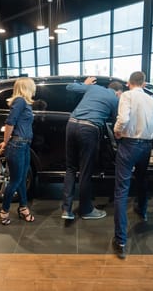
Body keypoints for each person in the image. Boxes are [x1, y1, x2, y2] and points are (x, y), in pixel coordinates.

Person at [61, 76, 124, 220]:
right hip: (88, 128)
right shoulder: (115, 99)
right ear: (118, 92)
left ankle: (66, 210)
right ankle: (86, 210)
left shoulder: (94, 87)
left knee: (70, 168)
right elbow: (117, 123)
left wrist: (85, 84)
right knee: (85, 171)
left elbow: (69, 87)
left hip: (71, 124)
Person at [112, 71, 153, 259]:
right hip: (146, 145)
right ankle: (142, 211)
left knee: (122, 189)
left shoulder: (126, 96)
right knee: (142, 179)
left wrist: (116, 131)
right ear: (144, 84)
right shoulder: (152, 100)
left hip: (129, 144)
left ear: (129, 83)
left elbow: (123, 119)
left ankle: (121, 239)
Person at [0, 77, 36, 225]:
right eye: (33, 86)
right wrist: (6, 142)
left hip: (23, 145)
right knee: (15, 181)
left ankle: (23, 208)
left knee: (21, 179)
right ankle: (4, 210)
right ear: (27, 87)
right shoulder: (20, 101)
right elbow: (10, 122)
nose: (34, 89)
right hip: (17, 145)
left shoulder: (24, 103)